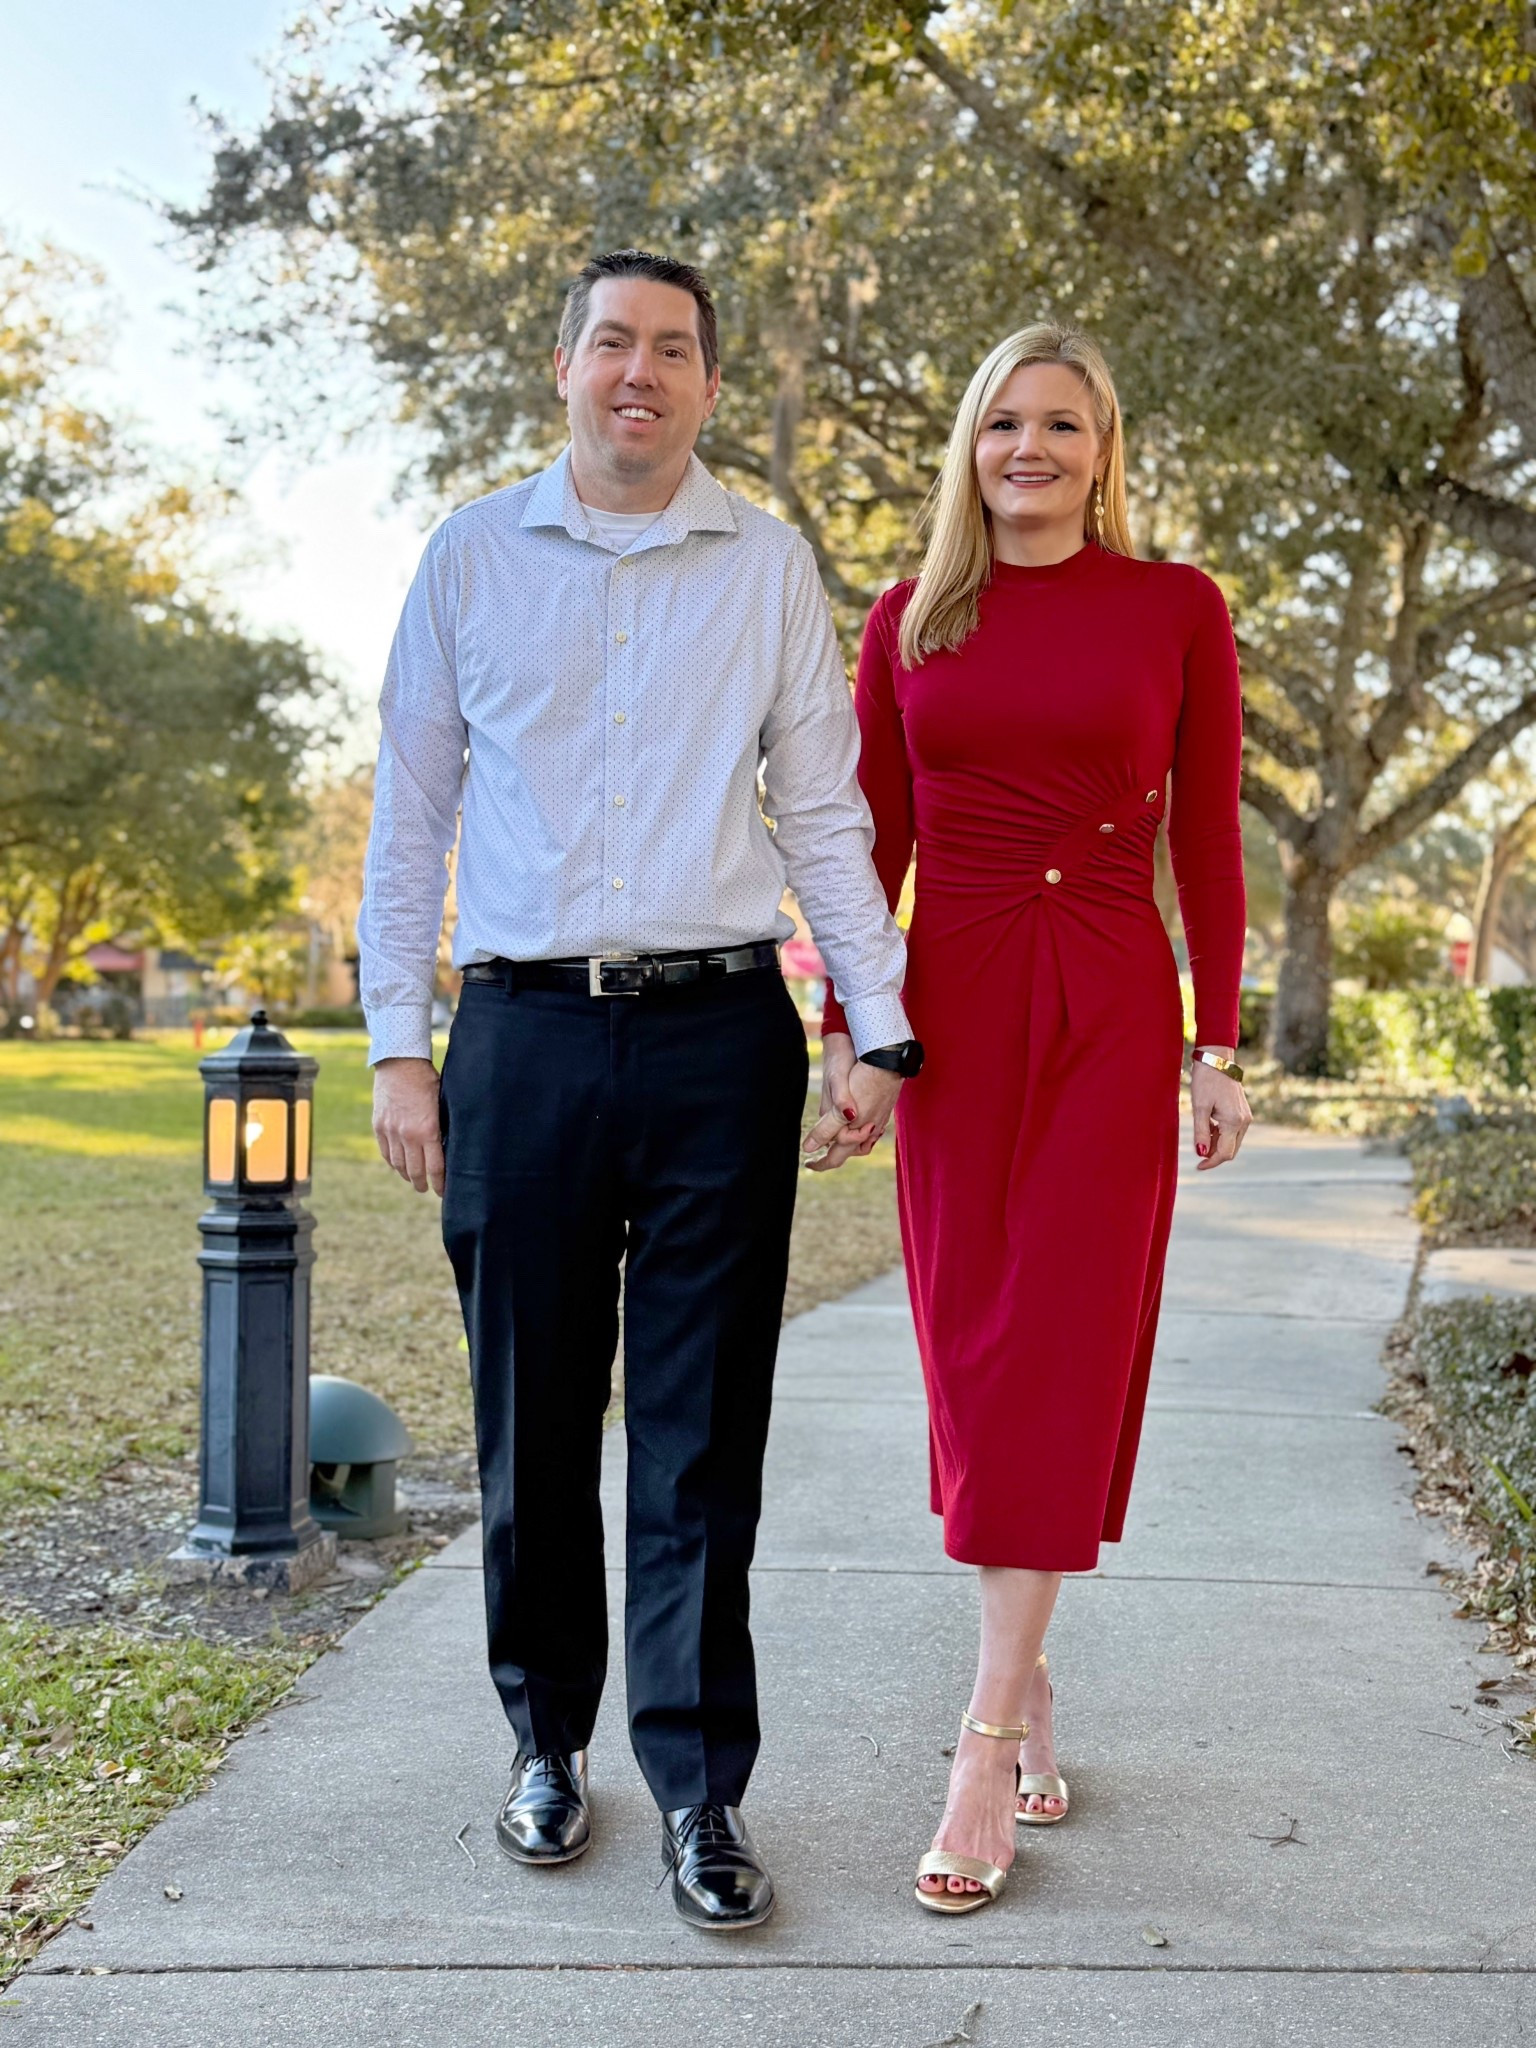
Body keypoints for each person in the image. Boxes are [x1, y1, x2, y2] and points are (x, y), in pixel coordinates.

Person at [357, 249, 923, 1932]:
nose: (641, 374)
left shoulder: (767, 569)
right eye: (614, 342)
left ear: (709, 385)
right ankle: (548, 1745)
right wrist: (402, 1042)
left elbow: (825, 815)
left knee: (697, 1444)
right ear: (563, 366)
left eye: (674, 350)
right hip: (521, 1040)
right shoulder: (468, 557)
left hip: (715, 1041)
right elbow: (411, 821)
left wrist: (872, 1025)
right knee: (532, 1428)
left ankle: (699, 1787)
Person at [808, 323, 1251, 1915]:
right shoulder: (906, 620)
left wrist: (1220, 1044)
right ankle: (1036, 1666)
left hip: (1115, 1019)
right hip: (960, 1020)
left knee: (1056, 1357)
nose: (1032, 450)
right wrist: (858, 1040)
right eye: (1006, 422)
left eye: (1063, 424)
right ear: (969, 447)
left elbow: (1206, 836)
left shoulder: (1177, 608)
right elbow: (865, 855)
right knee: (973, 1362)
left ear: (1104, 449)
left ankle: (985, 1733)